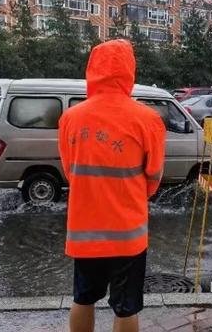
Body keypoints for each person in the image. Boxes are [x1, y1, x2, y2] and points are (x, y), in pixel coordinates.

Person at [58, 39, 166, 332]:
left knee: (83, 299)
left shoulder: (70, 118)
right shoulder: (148, 119)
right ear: (129, 71)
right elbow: (154, 177)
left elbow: (70, 172)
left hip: (84, 231)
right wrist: (130, 195)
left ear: (92, 70)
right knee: (126, 307)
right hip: (127, 233)